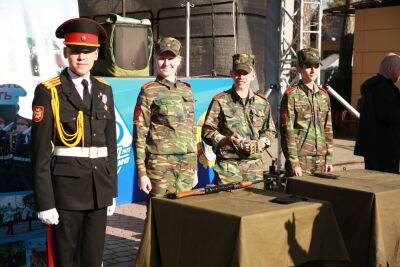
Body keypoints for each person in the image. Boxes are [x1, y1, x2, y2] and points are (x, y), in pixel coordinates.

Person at [31, 18, 117, 266]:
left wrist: (111, 192)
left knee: (93, 259)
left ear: (96, 54)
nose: (82, 57)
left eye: (88, 51)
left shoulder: (104, 90)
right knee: (65, 260)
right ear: (66, 52)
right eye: (76, 51)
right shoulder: (49, 91)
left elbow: (110, 144)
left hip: (99, 189)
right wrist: (45, 203)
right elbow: (40, 154)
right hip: (65, 194)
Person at [134, 37, 196, 197]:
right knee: (158, 212)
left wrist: (194, 166)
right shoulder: (149, 91)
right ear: (155, 60)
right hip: (160, 166)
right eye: (162, 58)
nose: (166, 63)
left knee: (184, 213)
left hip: (186, 165)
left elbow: (191, 130)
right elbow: (140, 136)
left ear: (179, 60)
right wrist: (142, 173)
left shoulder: (186, 90)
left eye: (171, 58)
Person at [202, 53, 276, 184]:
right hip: (228, 170)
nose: (241, 77)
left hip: (255, 169)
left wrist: (261, 143)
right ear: (231, 73)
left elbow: (269, 131)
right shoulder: (220, 101)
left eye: (245, 73)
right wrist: (226, 140)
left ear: (253, 75)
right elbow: (207, 132)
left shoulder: (262, 103)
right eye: (237, 73)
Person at [280, 48, 333, 176]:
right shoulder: (291, 95)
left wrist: (329, 158)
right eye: (308, 66)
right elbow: (287, 131)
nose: (313, 70)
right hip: (301, 159)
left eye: (316, 65)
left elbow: (328, 128)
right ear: (299, 68)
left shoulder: (323, 96)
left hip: (321, 158)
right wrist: (294, 162)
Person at [354, 53, 400, 173]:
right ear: (390, 69)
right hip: (386, 148)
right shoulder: (385, 88)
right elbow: (390, 115)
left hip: (372, 148)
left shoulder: (372, 87)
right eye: (399, 69)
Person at [10, 117, 32, 191]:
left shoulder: (30, 137)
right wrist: (22, 135)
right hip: (17, 167)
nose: (19, 126)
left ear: (27, 127)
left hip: (28, 167)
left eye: (22, 124)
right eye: (18, 124)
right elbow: (15, 149)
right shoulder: (13, 136)